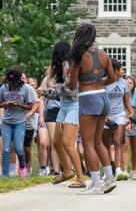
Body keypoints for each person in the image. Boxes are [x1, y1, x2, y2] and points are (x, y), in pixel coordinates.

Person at [68, 24, 119, 195]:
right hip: (103, 97)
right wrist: (99, 85)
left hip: (88, 99)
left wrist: (69, 75)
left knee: (88, 143)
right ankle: (109, 178)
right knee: (98, 142)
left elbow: (72, 85)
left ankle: (96, 183)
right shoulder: (103, 53)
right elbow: (113, 77)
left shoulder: (77, 56)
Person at [47, 42, 84, 189]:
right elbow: (59, 93)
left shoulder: (68, 65)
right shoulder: (61, 68)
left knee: (68, 143)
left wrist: (51, 88)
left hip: (74, 106)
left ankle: (81, 178)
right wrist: (47, 92)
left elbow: (71, 90)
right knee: (56, 142)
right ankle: (67, 171)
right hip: (64, 106)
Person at [0, 67, 36, 177]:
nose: (11, 85)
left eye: (13, 83)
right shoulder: (3, 88)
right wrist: (5, 104)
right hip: (7, 122)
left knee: (19, 149)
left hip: (19, 122)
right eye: (9, 82)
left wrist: (18, 105)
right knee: (6, 149)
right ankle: (5, 175)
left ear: (18, 81)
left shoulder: (26, 88)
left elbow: (30, 106)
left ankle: (23, 167)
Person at [102, 65, 132, 181]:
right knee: (106, 145)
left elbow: (126, 100)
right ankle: (108, 170)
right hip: (106, 115)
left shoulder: (124, 83)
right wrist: (102, 115)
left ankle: (118, 170)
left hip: (119, 114)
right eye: (121, 69)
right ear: (114, 70)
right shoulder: (104, 82)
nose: (123, 71)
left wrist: (130, 112)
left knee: (117, 141)